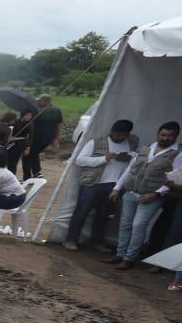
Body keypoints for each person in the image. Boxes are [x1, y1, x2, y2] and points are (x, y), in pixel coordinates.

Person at [106, 121, 180, 268]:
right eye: (163, 135)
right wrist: (117, 187)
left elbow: (174, 179)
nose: (165, 138)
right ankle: (119, 254)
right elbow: (130, 169)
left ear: (175, 136)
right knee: (125, 224)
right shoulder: (147, 147)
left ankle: (129, 259)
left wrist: (156, 194)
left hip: (151, 196)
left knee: (138, 226)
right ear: (158, 134)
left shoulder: (178, 154)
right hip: (131, 191)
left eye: (170, 136)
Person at [63, 119, 134, 251]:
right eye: (117, 134)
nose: (120, 137)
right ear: (111, 131)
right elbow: (80, 160)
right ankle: (71, 239)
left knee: (104, 215)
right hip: (93, 184)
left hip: (115, 186)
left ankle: (96, 242)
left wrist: (130, 156)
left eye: (124, 135)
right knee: (81, 212)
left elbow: (136, 160)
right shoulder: (96, 142)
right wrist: (104, 159)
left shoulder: (132, 144)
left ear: (128, 134)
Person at [25, 94, 64, 179]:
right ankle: (36, 173)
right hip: (49, 138)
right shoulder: (57, 110)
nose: (37, 102)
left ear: (45, 101)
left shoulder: (37, 111)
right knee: (33, 153)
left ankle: (32, 175)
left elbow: (29, 123)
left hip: (37, 137)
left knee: (28, 154)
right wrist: (56, 138)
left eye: (39, 100)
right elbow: (59, 125)